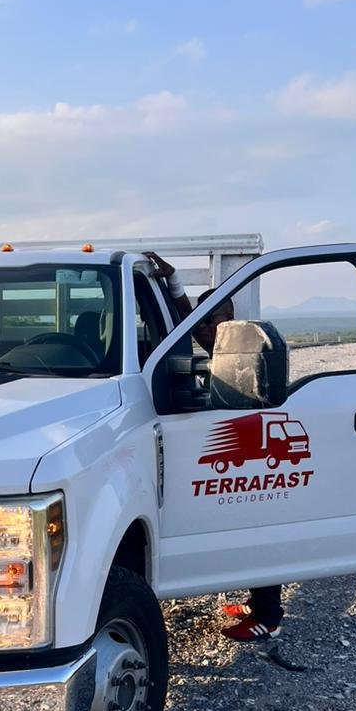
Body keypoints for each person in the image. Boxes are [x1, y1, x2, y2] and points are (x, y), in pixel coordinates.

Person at [145, 258, 284, 643]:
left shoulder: (248, 354)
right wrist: (173, 281)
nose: (206, 329)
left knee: (259, 529)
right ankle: (255, 601)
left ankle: (268, 617)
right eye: (203, 322)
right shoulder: (211, 349)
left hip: (254, 458)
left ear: (231, 321)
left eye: (215, 320)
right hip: (230, 460)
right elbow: (184, 317)